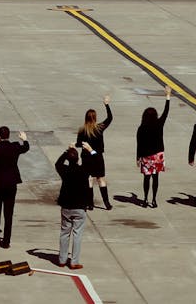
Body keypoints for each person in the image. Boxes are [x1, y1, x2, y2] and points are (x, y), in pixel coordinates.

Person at [0, 126, 29, 248]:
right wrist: (24, 139)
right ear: (8, 135)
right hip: (11, 184)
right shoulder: (14, 147)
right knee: (8, 213)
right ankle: (6, 241)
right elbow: (26, 148)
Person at [56, 142, 94, 270]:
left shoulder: (65, 170)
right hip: (79, 206)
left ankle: (62, 259)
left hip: (66, 206)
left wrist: (67, 151)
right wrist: (90, 150)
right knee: (77, 234)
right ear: (78, 159)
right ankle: (74, 261)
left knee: (64, 232)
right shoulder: (83, 170)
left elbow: (58, 164)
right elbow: (94, 161)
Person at [138, 86, 172, 208]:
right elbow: (166, 112)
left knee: (146, 178)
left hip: (146, 155)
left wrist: (138, 158)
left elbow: (139, 144)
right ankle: (154, 199)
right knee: (155, 177)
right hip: (157, 155)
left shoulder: (142, 128)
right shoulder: (159, 124)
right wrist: (168, 96)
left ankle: (145, 199)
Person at [77, 96, 113, 210]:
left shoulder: (82, 130)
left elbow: (79, 144)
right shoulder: (100, 128)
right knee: (101, 179)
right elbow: (110, 118)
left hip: (87, 158)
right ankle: (107, 203)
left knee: (89, 180)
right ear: (95, 118)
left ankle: (90, 203)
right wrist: (107, 104)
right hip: (98, 157)